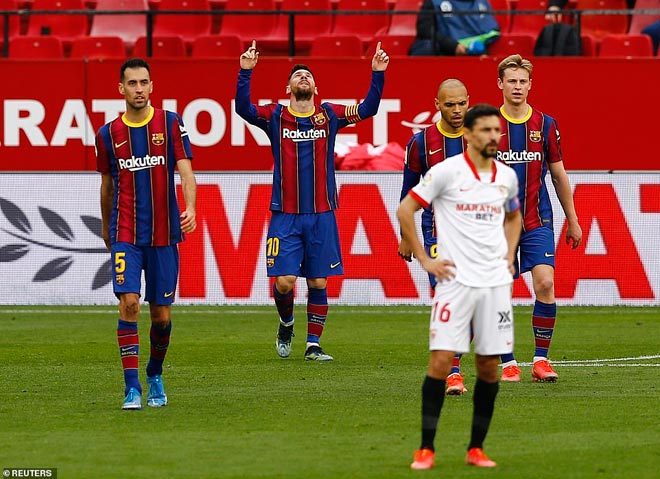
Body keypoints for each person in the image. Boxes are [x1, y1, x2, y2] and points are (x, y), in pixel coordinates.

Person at [235, 40, 389, 361]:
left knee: (318, 279)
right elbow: (243, 109)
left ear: (315, 87)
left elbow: (368, 109)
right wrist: (245, 72)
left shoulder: (329, 115)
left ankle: (313, 345)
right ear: (287, 87)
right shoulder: (275, 117)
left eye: (307, 75)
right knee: (284, 281)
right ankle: (286, 322)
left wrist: (377, 74)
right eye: (297, 75)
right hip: (285, 214)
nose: (303, 78)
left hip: (322, 214)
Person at [397, 104, 522, 470]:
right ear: (468, 135)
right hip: (454, 284)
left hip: (495, 285)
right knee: (440, 361)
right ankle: (426, 448)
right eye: (485, 130)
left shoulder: (506, 177)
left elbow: (513, 216)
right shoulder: (445, 173)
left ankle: (476, 449)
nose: (493, 137)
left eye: (496, 131)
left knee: (488, 367)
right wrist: (425, 259)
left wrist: (509, 254)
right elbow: (406, 209)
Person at [97, 58, 197, 410]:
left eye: (144, 82)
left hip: (164, 233)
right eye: (132, 83)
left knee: (161, 316)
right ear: (121, 89)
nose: (139, 89)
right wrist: (108, 229)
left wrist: (191, 207)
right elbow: (107, 186)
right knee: (129, 304)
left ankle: (154, 373)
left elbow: (186, 172)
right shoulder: (108, 134)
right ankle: (132, 387)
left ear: (152, 86)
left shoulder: (170, 123)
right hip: (126, 230)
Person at [494, 54, 582, 382]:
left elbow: (558, 175)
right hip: (496, 225)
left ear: (530, 85)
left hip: (536, 218)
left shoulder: (545, 124)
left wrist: (572, 219)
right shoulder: (488, 124)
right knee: (499, 291)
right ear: (500, 84)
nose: (517, 86)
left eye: (522, 81)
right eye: (511, 81)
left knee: (545, 282)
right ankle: (507, 362)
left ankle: (541, 360)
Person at [398, 78, 470, 395]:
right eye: (449, 104)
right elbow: (408, 192)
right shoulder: (420, 143)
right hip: (436, 232)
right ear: (436, 104)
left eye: (461, 103)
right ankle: (452, 373)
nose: (456, 110)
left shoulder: (482, 137)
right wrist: (405, 235)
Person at [409, 0, 500, 56]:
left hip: (472, 52)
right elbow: (425, 31)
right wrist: (453, 46)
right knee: (425, 47)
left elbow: (491, 31)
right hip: (442, 49)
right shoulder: (434, 1)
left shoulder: (481, 2)